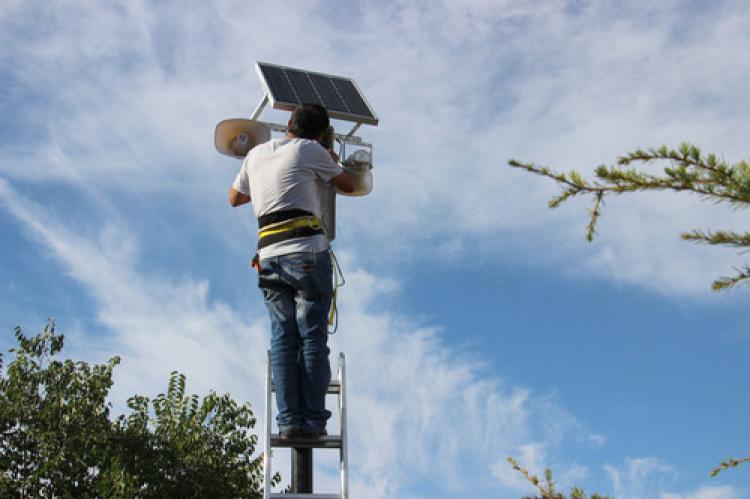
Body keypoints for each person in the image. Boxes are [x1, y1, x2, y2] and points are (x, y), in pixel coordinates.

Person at [229, 103, 354, 439]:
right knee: (312, 336)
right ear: (318, 133)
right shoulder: (312, 150)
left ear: (288, 123)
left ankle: (288, 422)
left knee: (283, 338)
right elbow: (350, 185)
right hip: (306, 252)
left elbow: (234, 197)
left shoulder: (255, 154)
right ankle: (312, 423)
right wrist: (332, 161)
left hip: (268, 255)